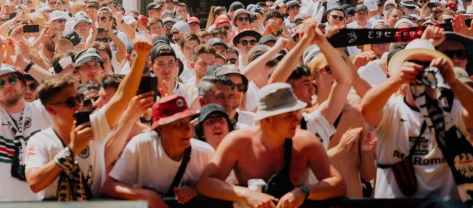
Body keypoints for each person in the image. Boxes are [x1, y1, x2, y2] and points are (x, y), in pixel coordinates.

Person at [25, 39, 152, 200]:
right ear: (51, 109)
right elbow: (35, 182)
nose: (78, 105)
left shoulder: (93, 127)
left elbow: (122, 96)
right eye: (70, 102)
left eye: (78, 99)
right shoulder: (40, 141)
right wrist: (71, 151)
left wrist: (140, 58)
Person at [360, 30, 473, 200]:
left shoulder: (450, 108)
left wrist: (453, 81)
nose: (421, 70)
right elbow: (366, 109)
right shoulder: (392, 109)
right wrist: (396, 80)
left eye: (428, 65)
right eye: (413, 64)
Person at [198, 82, 346, 206]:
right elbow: (206, 183)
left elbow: (338, 184)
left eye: (296, 113)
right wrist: (246, 194)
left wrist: (305, 191)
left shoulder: (306, 142)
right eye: (288, 116)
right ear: (267, 120)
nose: (297, 120)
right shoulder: (238, 142)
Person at [0, 37, 50, 199]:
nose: (7, 86)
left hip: (40, 201)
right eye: (0, 84)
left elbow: (64, 88)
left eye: (12, 80)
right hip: (1, 201)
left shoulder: (39, 110)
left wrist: (24, 63)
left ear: (22, 85)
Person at [103, 95, 216, 207]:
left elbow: (224, 194)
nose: (187, 129)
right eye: (179, 124)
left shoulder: (205, 153)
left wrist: (198, 191)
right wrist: (149, 196)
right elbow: (109, 187)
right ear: (161, 128)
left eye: (188, 121)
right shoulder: (141, 145)